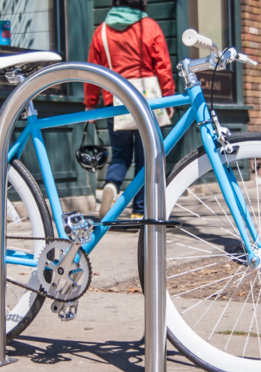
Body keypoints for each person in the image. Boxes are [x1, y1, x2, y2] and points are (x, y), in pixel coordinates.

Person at [84, 0, 175, 220]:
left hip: (115, 101)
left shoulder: (102, 31)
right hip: (147, 100)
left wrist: (90, 104)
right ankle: (138, 210)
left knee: (121, 156)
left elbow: (92, 70)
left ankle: (111, 186)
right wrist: (169, 97)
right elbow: (162, 65)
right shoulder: (150, 27)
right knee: (146, 157)